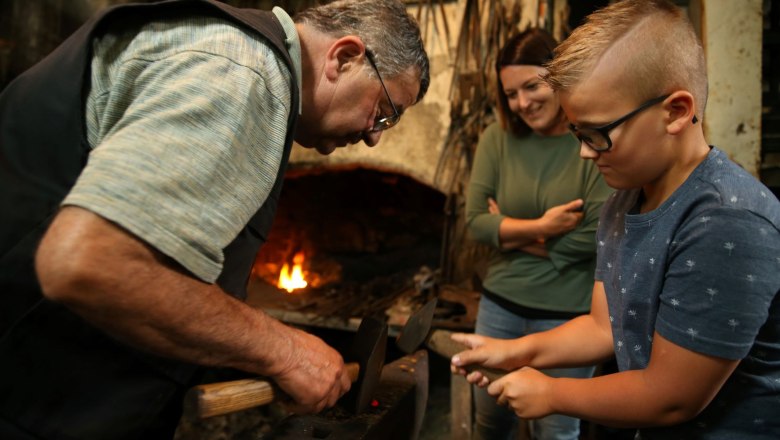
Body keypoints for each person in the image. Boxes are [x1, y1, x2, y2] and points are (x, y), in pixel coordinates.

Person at [0, 0, 429, 438]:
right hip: (27, 397)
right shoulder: (242, 72)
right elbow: (88, 263)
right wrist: (283, 351)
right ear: (344, 57)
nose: (374, 136)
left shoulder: (243, 64)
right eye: (383, 110)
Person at [451, 1, 780, 439]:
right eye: (577, 134)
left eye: (597, 132)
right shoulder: (625, 199)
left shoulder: (725, 219)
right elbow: (602, 326)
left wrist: (552, 394)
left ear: (676, 112)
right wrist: (514, 351)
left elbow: (671, 396)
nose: (586, 152)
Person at [464, 28, 613, 440]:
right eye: (511, 94)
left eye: (532, 86)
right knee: (490, 421)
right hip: (500, 304)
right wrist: (544, 228)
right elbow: (475, 221)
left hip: (568, 317)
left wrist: (510, 232)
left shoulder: (591, 140)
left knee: (556, 430)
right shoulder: (498, 139)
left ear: (560, 76)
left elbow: (596, 237)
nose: (522, 103)